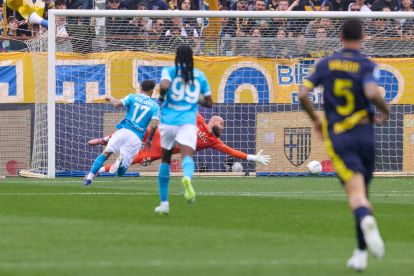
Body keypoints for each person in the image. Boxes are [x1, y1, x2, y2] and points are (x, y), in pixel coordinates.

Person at [299, 18, 388, 271]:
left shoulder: (325, 64)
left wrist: (316, 119)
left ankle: (367, 223)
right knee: (364, 193)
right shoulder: (367, 64)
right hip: (365, 135)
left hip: (340, 137)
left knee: (357, 196)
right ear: (362, 37)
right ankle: (360, 253)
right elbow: (372, 93)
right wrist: (386, 111)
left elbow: (303, 93)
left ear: (340, 37)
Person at [88, 112, 271, 175]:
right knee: (136, 131)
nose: (222, 127)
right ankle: (104, 140)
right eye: (221, 123)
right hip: (162, 135)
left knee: (130, 161)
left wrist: (252, 157)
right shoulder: (198, 119)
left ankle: (96, 172)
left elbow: (231, 151)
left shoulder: (214, 142)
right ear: (213, 121)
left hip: (162, 151)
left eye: (223, 126)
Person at [156, 44, 213, 214]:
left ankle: (164, 204)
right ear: (192, 57)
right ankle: (187, 178)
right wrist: (195, 98)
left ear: (177, 56)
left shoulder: (169, 71)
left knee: (165, 159)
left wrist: (161, 95)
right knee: (187, 156)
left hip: (168, 121)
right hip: (188, 121)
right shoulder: (200, 76)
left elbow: (165, 86)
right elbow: (209, 103)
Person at [83, 80, 160, 186]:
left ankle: (88, 179)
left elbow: (118, 104)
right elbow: (154, 125)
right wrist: (149, 139)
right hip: (136, 138)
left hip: (123, 131)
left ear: (141, 88)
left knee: (105, 153)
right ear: (152, 90)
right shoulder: (155, 106)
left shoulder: (133, 97)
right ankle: (120, 164)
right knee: (120, 173)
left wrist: (110, 98)